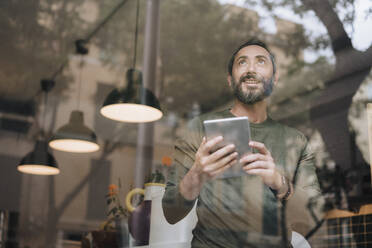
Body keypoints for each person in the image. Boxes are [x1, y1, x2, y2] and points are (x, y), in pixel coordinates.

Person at [162, 39, 324, 247]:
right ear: (230, 80)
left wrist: (278, 182)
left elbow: (314, 218)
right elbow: (170, 212)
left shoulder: (296, 140)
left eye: (261, 62)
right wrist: (197, 174)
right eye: (242, 63)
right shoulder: (200, 128)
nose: (250, 69)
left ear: (274, 80)